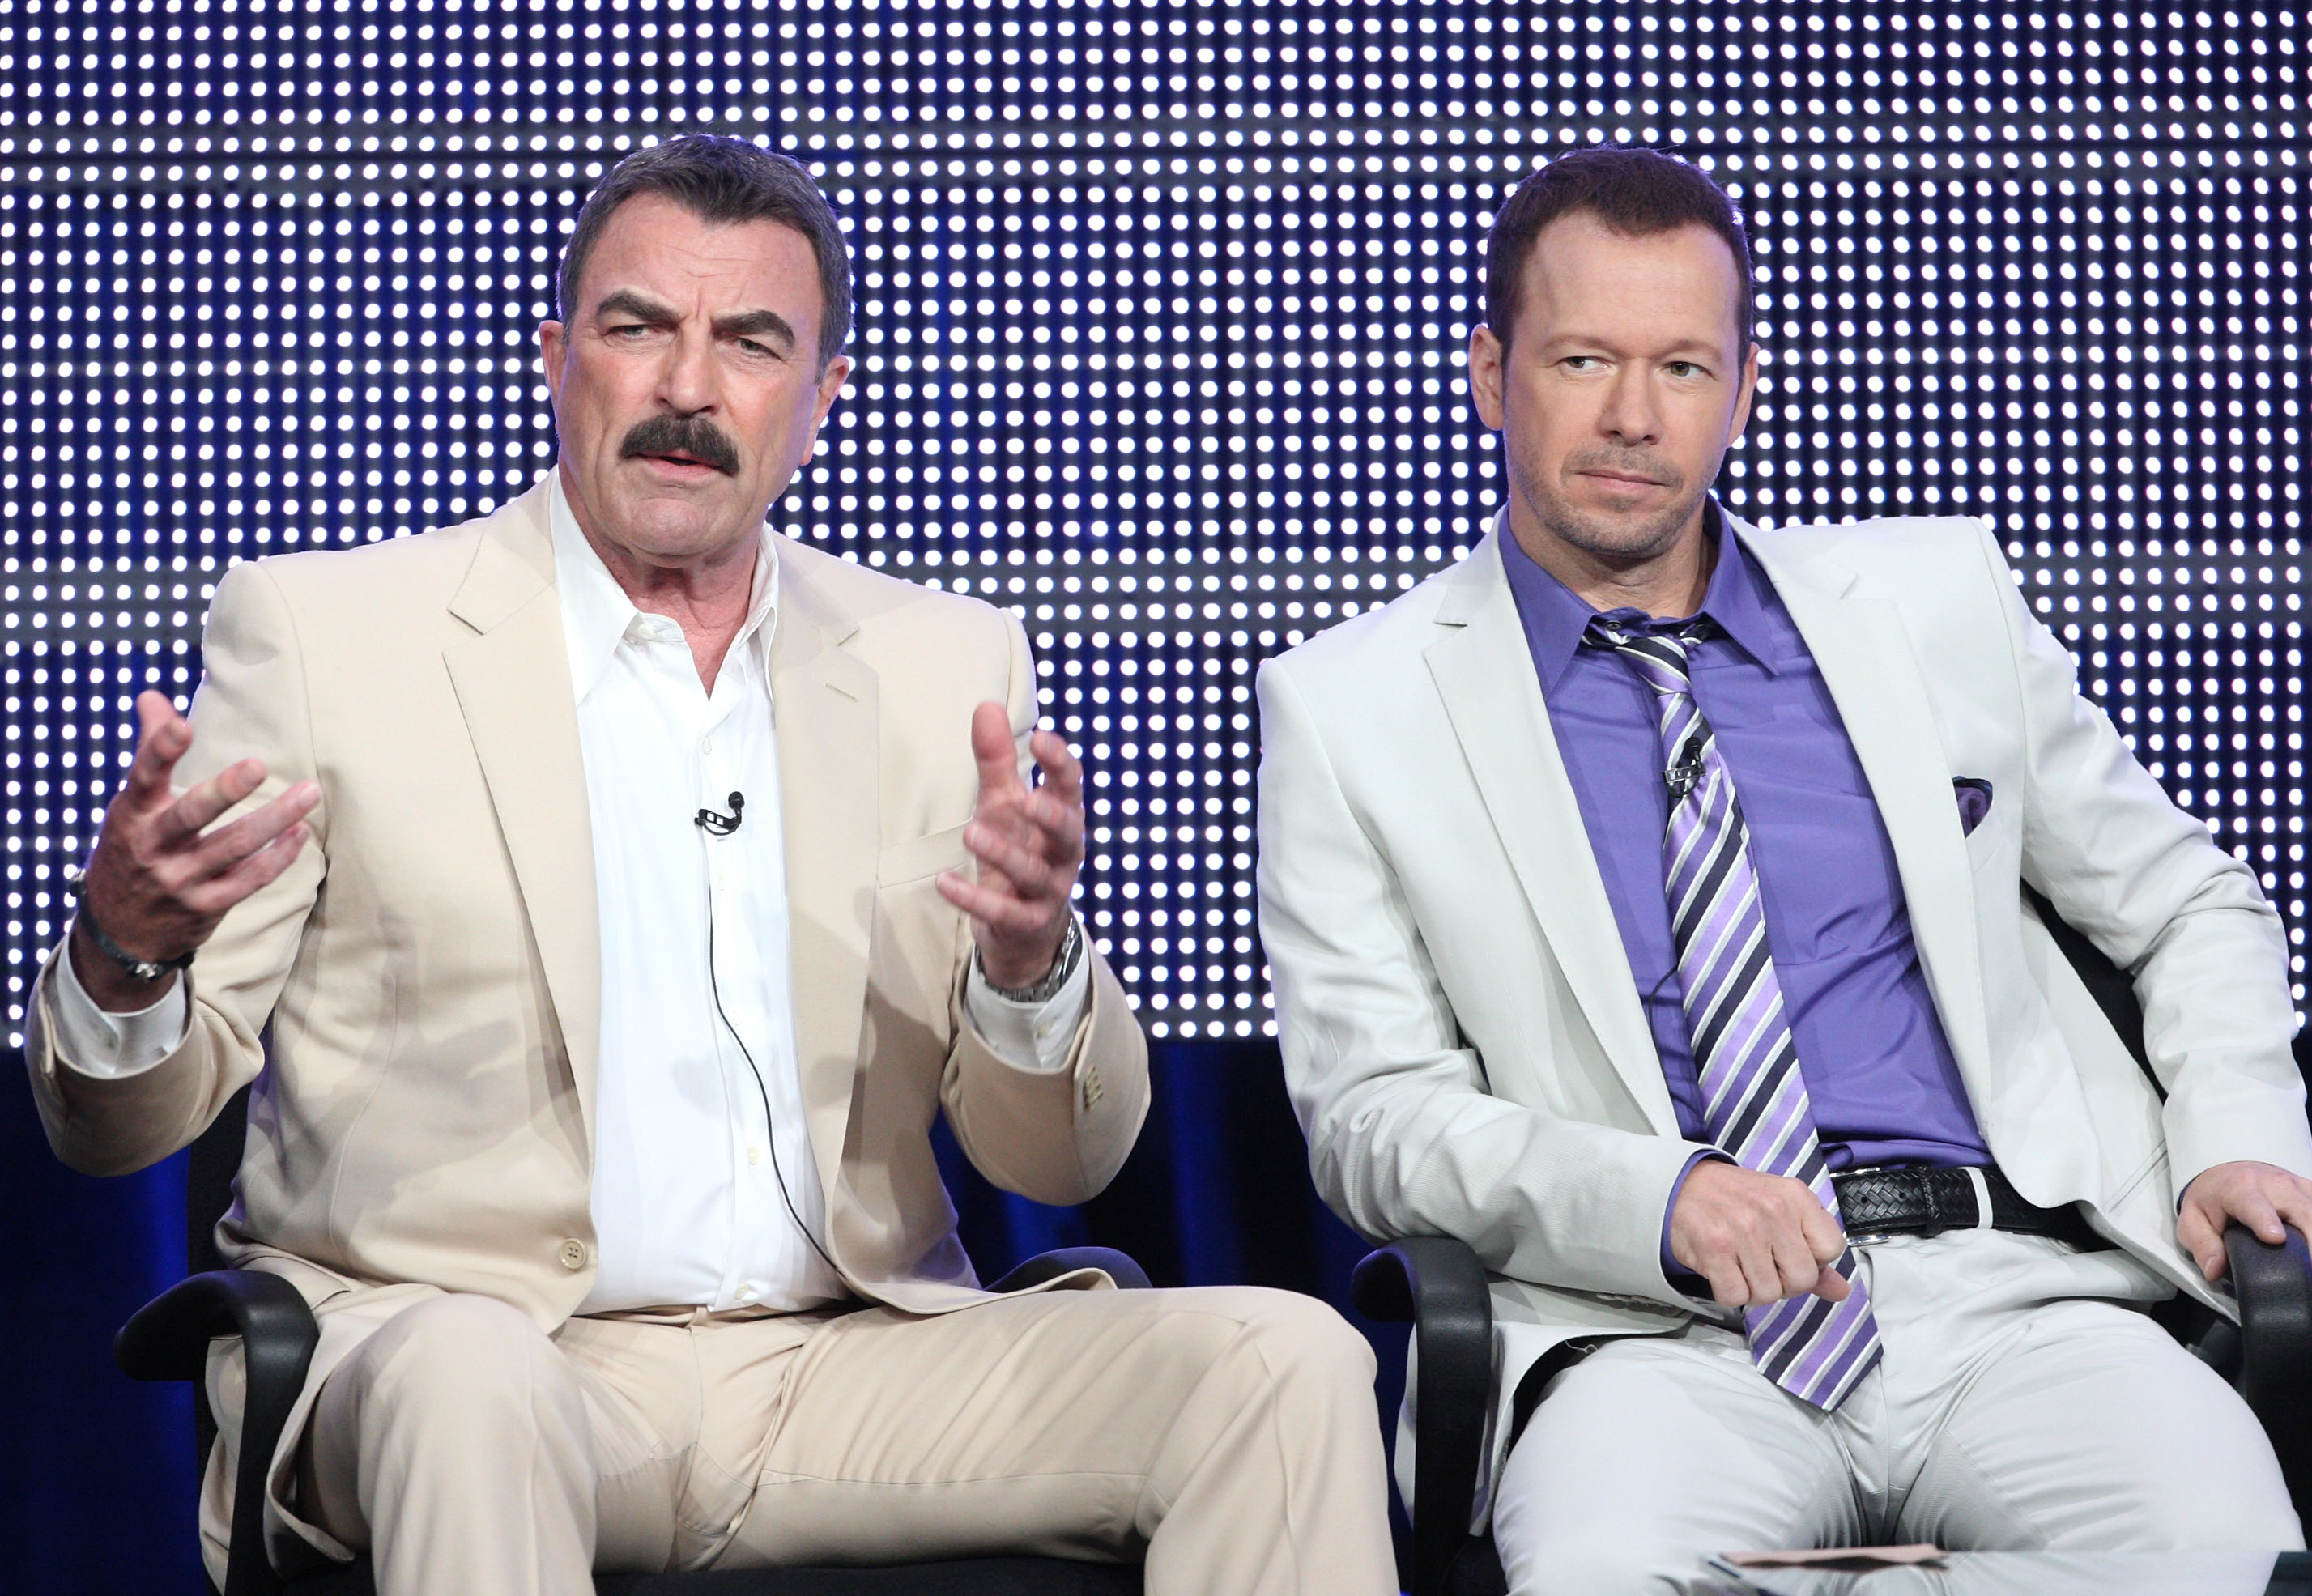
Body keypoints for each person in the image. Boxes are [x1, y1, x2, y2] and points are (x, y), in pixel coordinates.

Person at [26, 134, 1395, 1596]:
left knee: (1282, 1359)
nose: (688, 388)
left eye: (749, 343)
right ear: (560, 360)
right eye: (638, 329)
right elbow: (117, 1130)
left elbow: (1054, 1161)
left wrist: (1031, 968)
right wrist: (126, 954)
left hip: (846, 1368)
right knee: (474, 1386)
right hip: (468, 1348)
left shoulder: (945, 664)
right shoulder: (330, 635)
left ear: (818, 404)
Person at [1255, 146, 2312, 1594]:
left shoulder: (1934, 602)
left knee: (2231, 1564)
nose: (1634, 418)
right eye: (1583, 360)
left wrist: (2237, 1129)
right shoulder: (1351, 708)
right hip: (1649, 1333)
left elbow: (2191, 901)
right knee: (1603, 1578)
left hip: (2014, 1295)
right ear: (1489, 370)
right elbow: (1374, 1121)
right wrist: (1661, 1197)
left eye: (1684, 368)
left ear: (1744, 391)